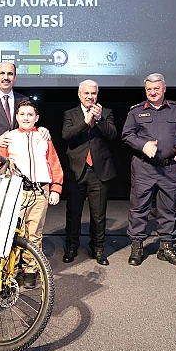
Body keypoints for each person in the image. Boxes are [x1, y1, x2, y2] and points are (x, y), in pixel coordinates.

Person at [122, 73, 176, 267]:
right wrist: (143, 145)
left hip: (169, 168)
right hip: (144, 167)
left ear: (164, 88)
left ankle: (166, 248)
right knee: (139, 208)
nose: (153, 92)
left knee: (168, 209)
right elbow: (127, 134)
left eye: (156, 89)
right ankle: (137, 247)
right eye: (149, 89)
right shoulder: (136, 111)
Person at [0, 100, 63, 289]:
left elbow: (54, 163)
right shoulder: (9, 137)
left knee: (34, 233)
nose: (26, 118)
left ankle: (30, 270)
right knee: (13, 231)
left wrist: (56, 188)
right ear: (17, 117)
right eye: (22, 114)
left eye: (30, 114)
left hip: (40, 191)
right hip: (15, 191)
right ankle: (11, 270)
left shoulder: (43, 136)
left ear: (36, 118)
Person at [61, 79, 117, 265]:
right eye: (86, 93)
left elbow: (112, 134)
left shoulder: (106, 112)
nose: (90, 96)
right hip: (76, 170)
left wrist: (99, 119)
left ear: (97, 95)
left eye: (93, 93)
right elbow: (66, 135)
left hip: (99, 171)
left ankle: (98, 248)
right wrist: (85, 122)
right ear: (79, 95)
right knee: (73, 212)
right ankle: (71, 247)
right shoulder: (70, 114)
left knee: (98, 214)